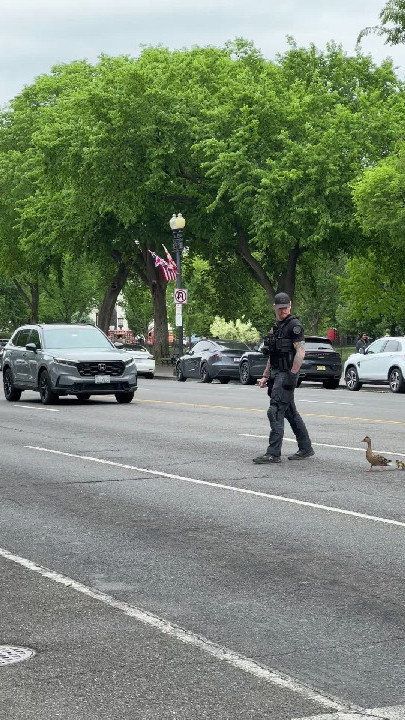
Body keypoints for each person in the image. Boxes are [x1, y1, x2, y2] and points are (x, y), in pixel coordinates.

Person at [253, 292, 314, 464]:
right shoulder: (276, 327)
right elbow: (272, 355)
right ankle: (306, 448)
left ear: (290, 305)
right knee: (290, 412)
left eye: (285, 307)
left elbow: (301, 352)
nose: (283, 311)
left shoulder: (294, 326)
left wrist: (292, 375)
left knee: (275, 411)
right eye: (280, 308)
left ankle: (273, 454)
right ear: (275, 307)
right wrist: (265, 375)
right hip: (276, 373)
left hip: (286, 374)